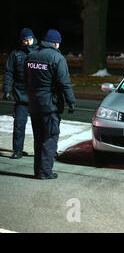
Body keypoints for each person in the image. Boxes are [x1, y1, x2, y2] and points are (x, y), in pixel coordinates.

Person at [24, 29, 76, 179]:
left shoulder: (30, 56)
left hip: (34, 104)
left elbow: (25, 80)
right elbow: (64, 83)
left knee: (38, 138)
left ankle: (38, 171)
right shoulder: (57, 58)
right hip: (50, 106)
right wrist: (70, 101)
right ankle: (45, 172)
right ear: (55, 43)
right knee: (50, 138)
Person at [2, 28, 39, 159]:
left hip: (37, 97)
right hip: (21, 96)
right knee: (19, 125)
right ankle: (17, 150)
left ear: (33, 38)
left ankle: (41, 150)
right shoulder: (16, 54)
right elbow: (8, 72)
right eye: (25, 40)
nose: (28, 42)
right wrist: (6, 90)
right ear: (22, 40)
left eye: (30, 39)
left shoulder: (39, 52)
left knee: (39, 127)